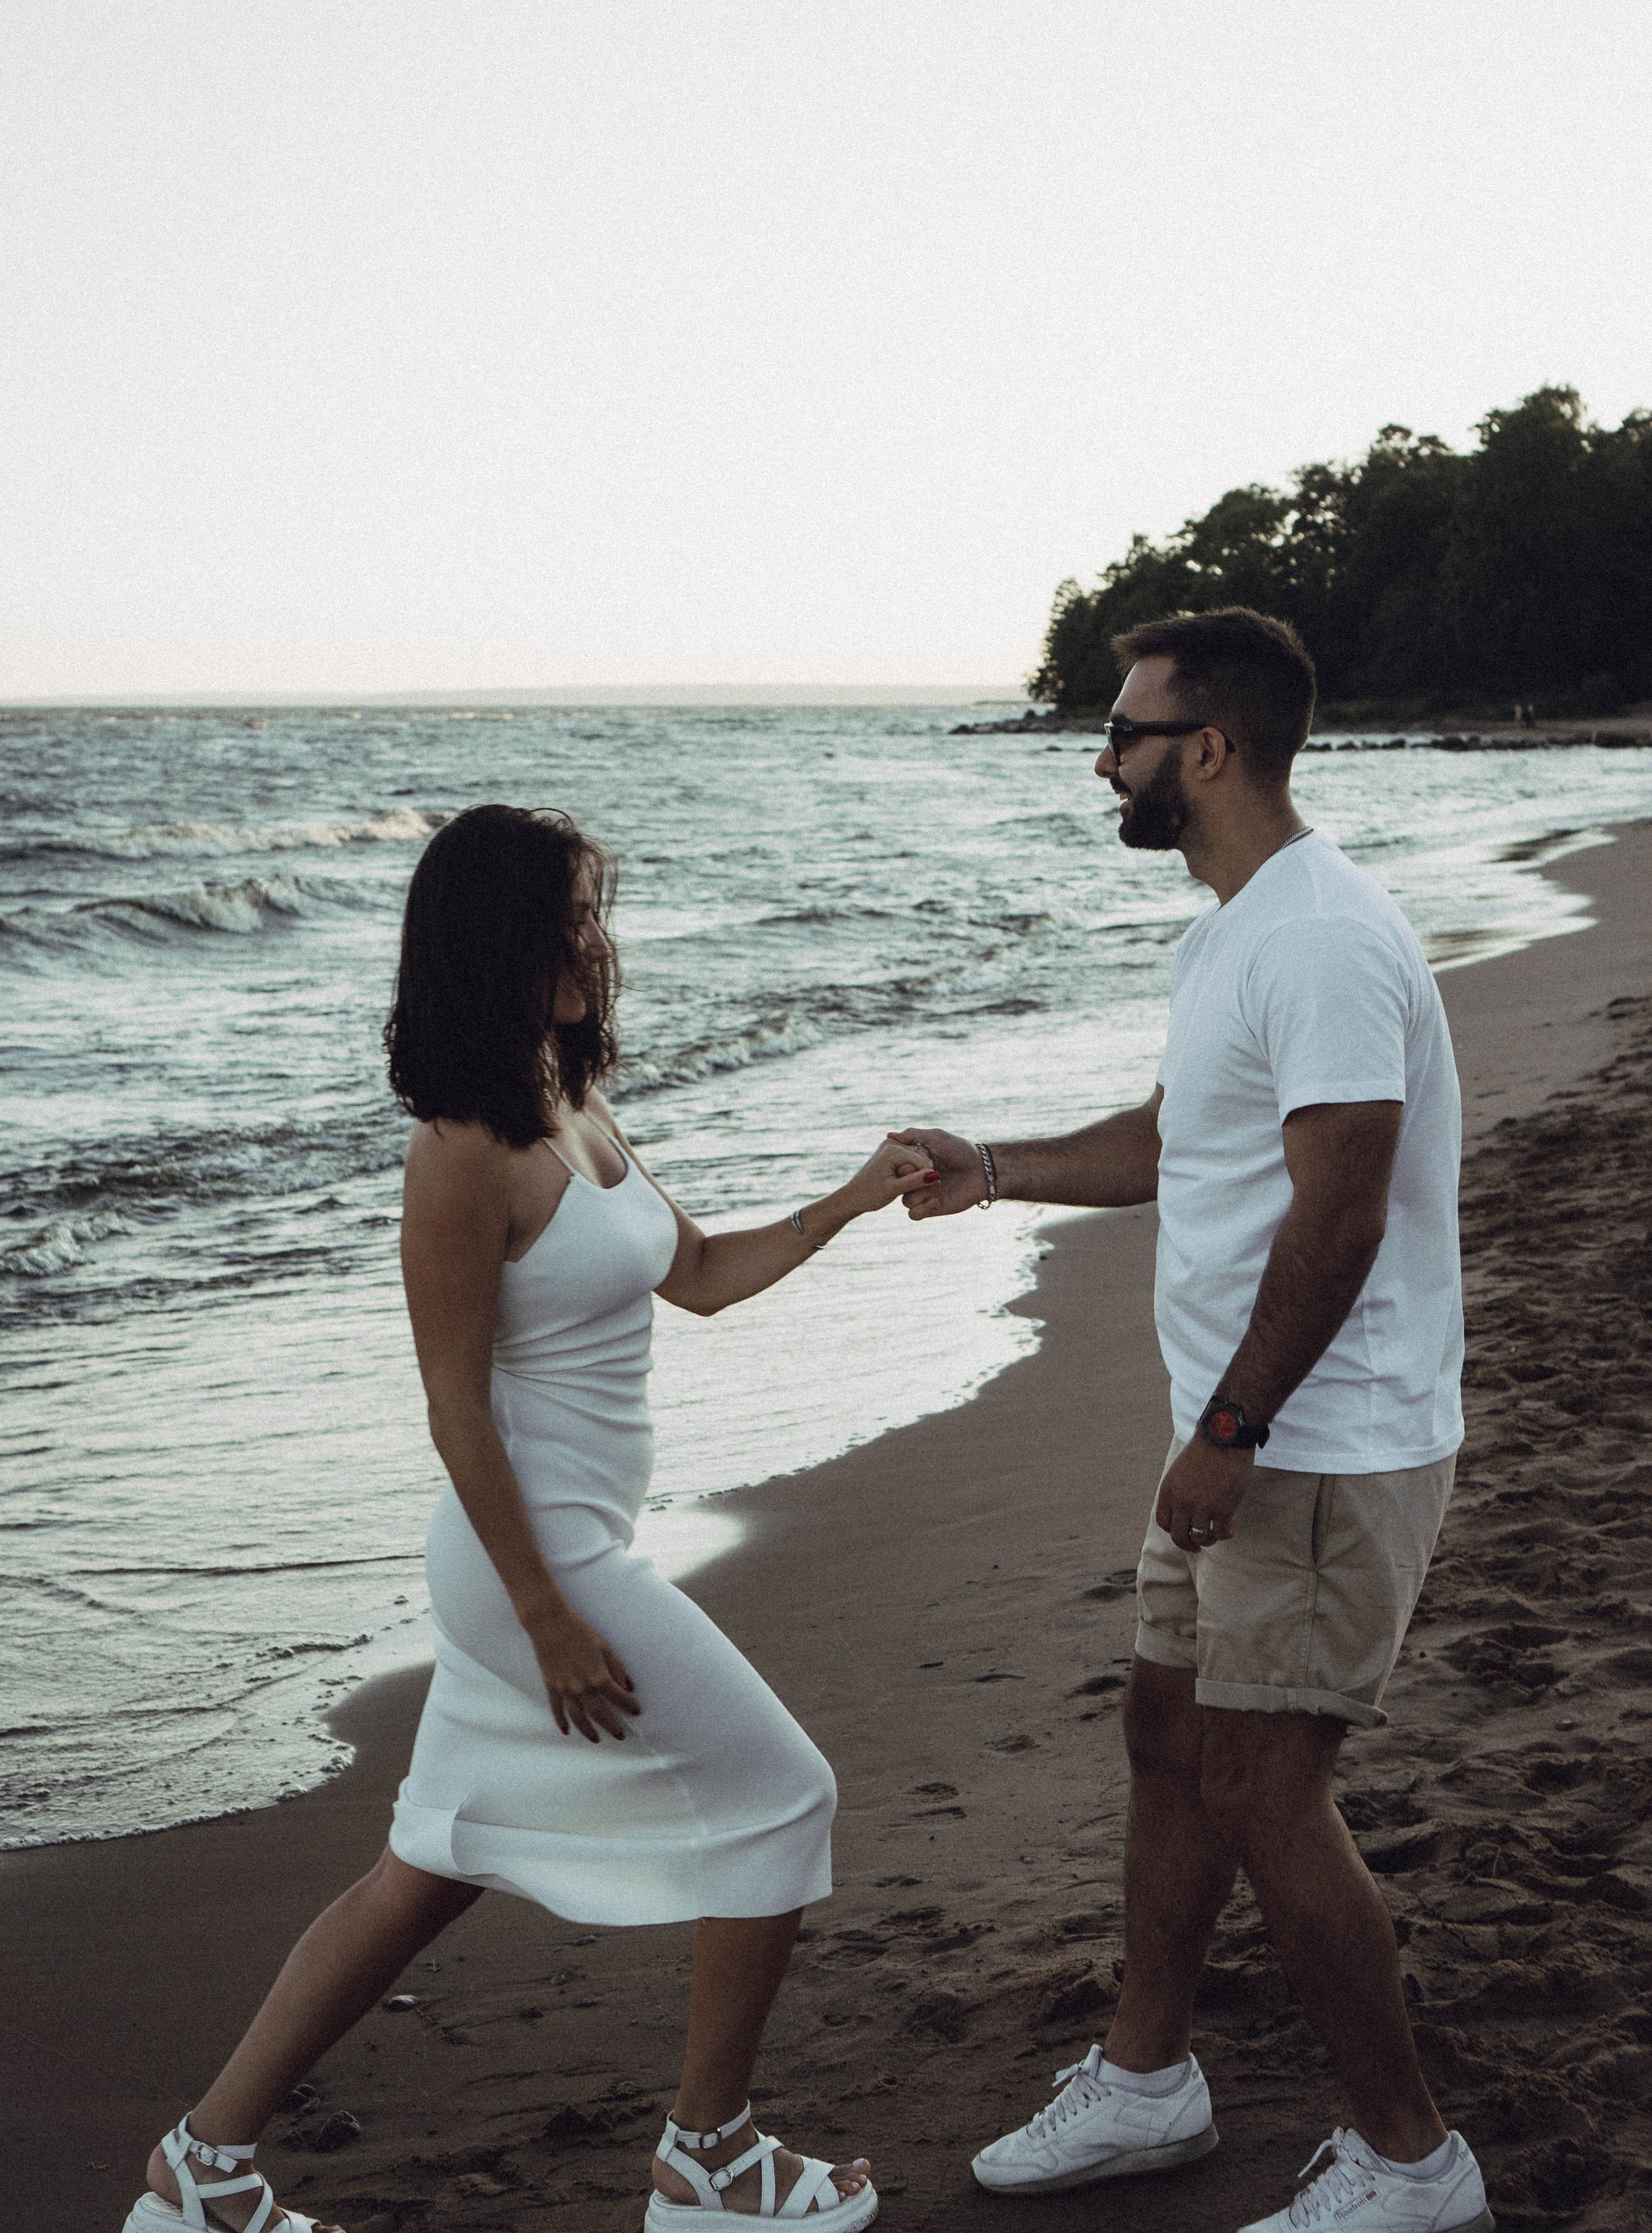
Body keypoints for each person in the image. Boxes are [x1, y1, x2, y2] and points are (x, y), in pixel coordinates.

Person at [125, 802, 931, 2233]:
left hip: (566, 1553)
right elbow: (455, 1408)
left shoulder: (574, 1105)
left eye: (594, 917)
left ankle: (202, 2172)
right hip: (535, 1566)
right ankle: (710, 2162)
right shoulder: (458, 1153)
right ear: (500, 944)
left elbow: (698, 1275)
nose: (596, 944)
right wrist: (549, 1617)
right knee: (785, 1798)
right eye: (571, 920)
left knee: (426, 1868)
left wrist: (853, 1200)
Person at [897, 609, 1492, 2233]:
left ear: (1209, 750)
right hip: (1242, 1428)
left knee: (1259, 1788)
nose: (1100, 761)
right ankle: (1146, 2081)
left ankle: (1410, 2162)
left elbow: (1340, 1213)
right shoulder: (1230, 931)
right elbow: (1177, 1143)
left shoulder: (1319, 938)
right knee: (1166, 1743)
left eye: (1125, 733)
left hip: (1317, 1441)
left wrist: (1230, 1429)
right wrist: (994, 1168)